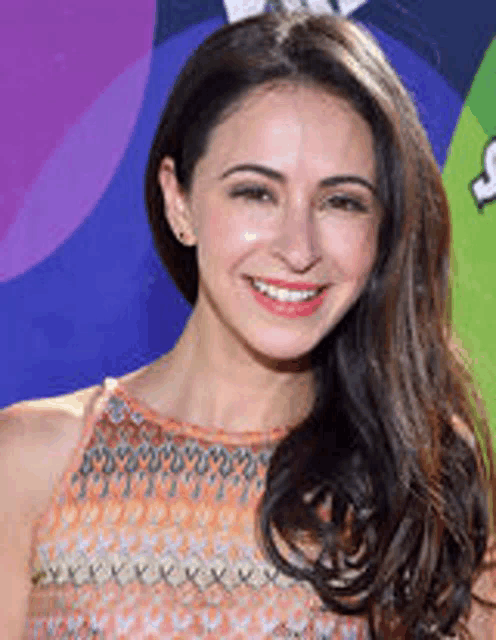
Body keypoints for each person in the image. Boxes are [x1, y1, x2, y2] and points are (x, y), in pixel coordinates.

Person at [1, 8, 495, 639]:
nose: (298, 247)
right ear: (179, 201)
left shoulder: (424, 490)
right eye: (255, 192)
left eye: (341, 202)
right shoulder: (29, 462)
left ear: (382, 230)